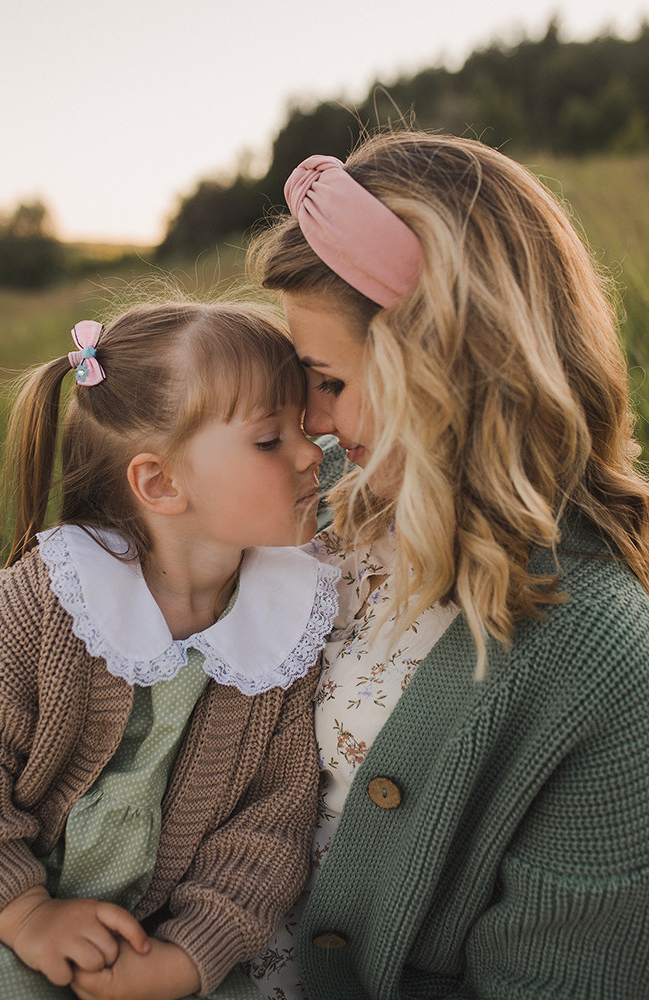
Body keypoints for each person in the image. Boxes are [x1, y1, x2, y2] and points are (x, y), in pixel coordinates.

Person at [246, 132, 649, 1000]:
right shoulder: (323, 513)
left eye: (329, 380)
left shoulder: (600, 655)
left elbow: (564, 976)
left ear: (440, 368)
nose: (312, 418)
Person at [0, 301, 342, 1000]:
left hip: (165, 946)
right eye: (270, 440)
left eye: (303, 427)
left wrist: (186, 957)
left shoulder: (286, 626)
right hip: (2, 922)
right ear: (161, 484)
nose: (310, 454)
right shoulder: (41, 605)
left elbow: (271, 823)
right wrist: (24, 912)